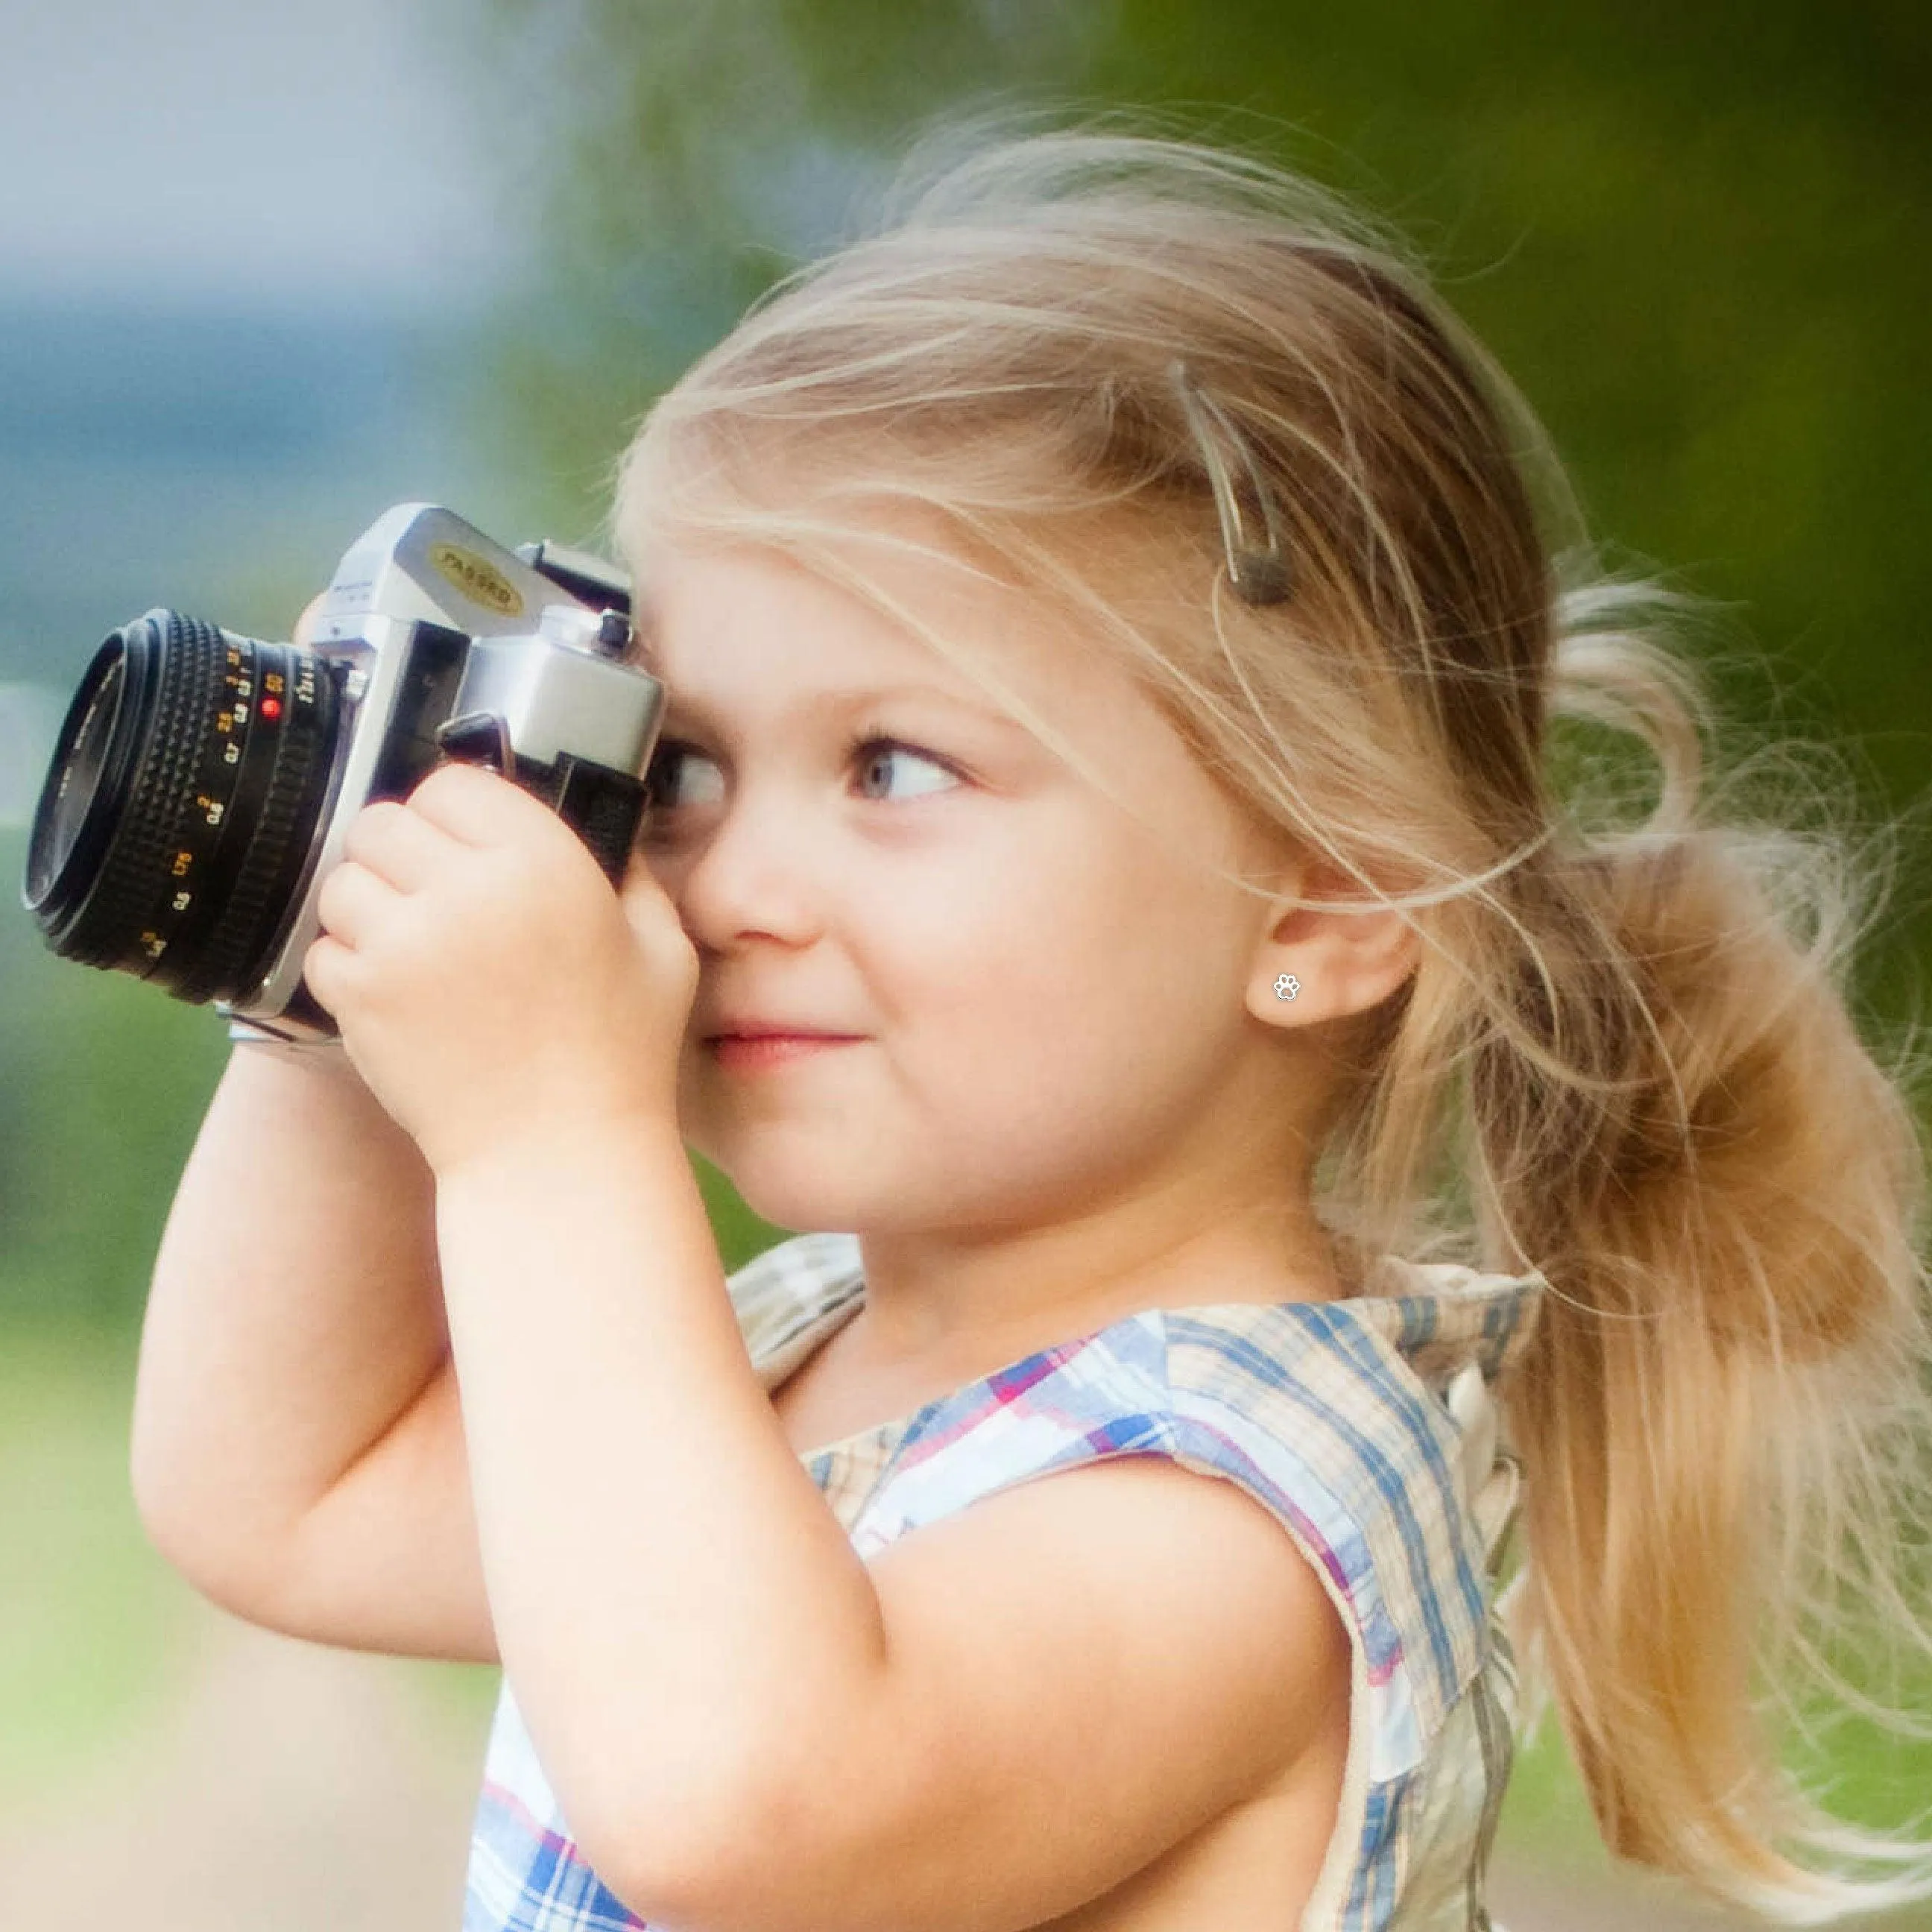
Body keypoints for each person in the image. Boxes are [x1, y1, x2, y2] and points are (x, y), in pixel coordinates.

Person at [129, 121, 1932, 1931]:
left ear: (1328, 904)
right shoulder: (794, 1351)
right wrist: (345, 952)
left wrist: (546, 1136)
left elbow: (748, 1800)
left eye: (894, 765)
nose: (731, 881)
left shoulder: (1246, 1506)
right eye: (682, 766)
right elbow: (286, 1492)